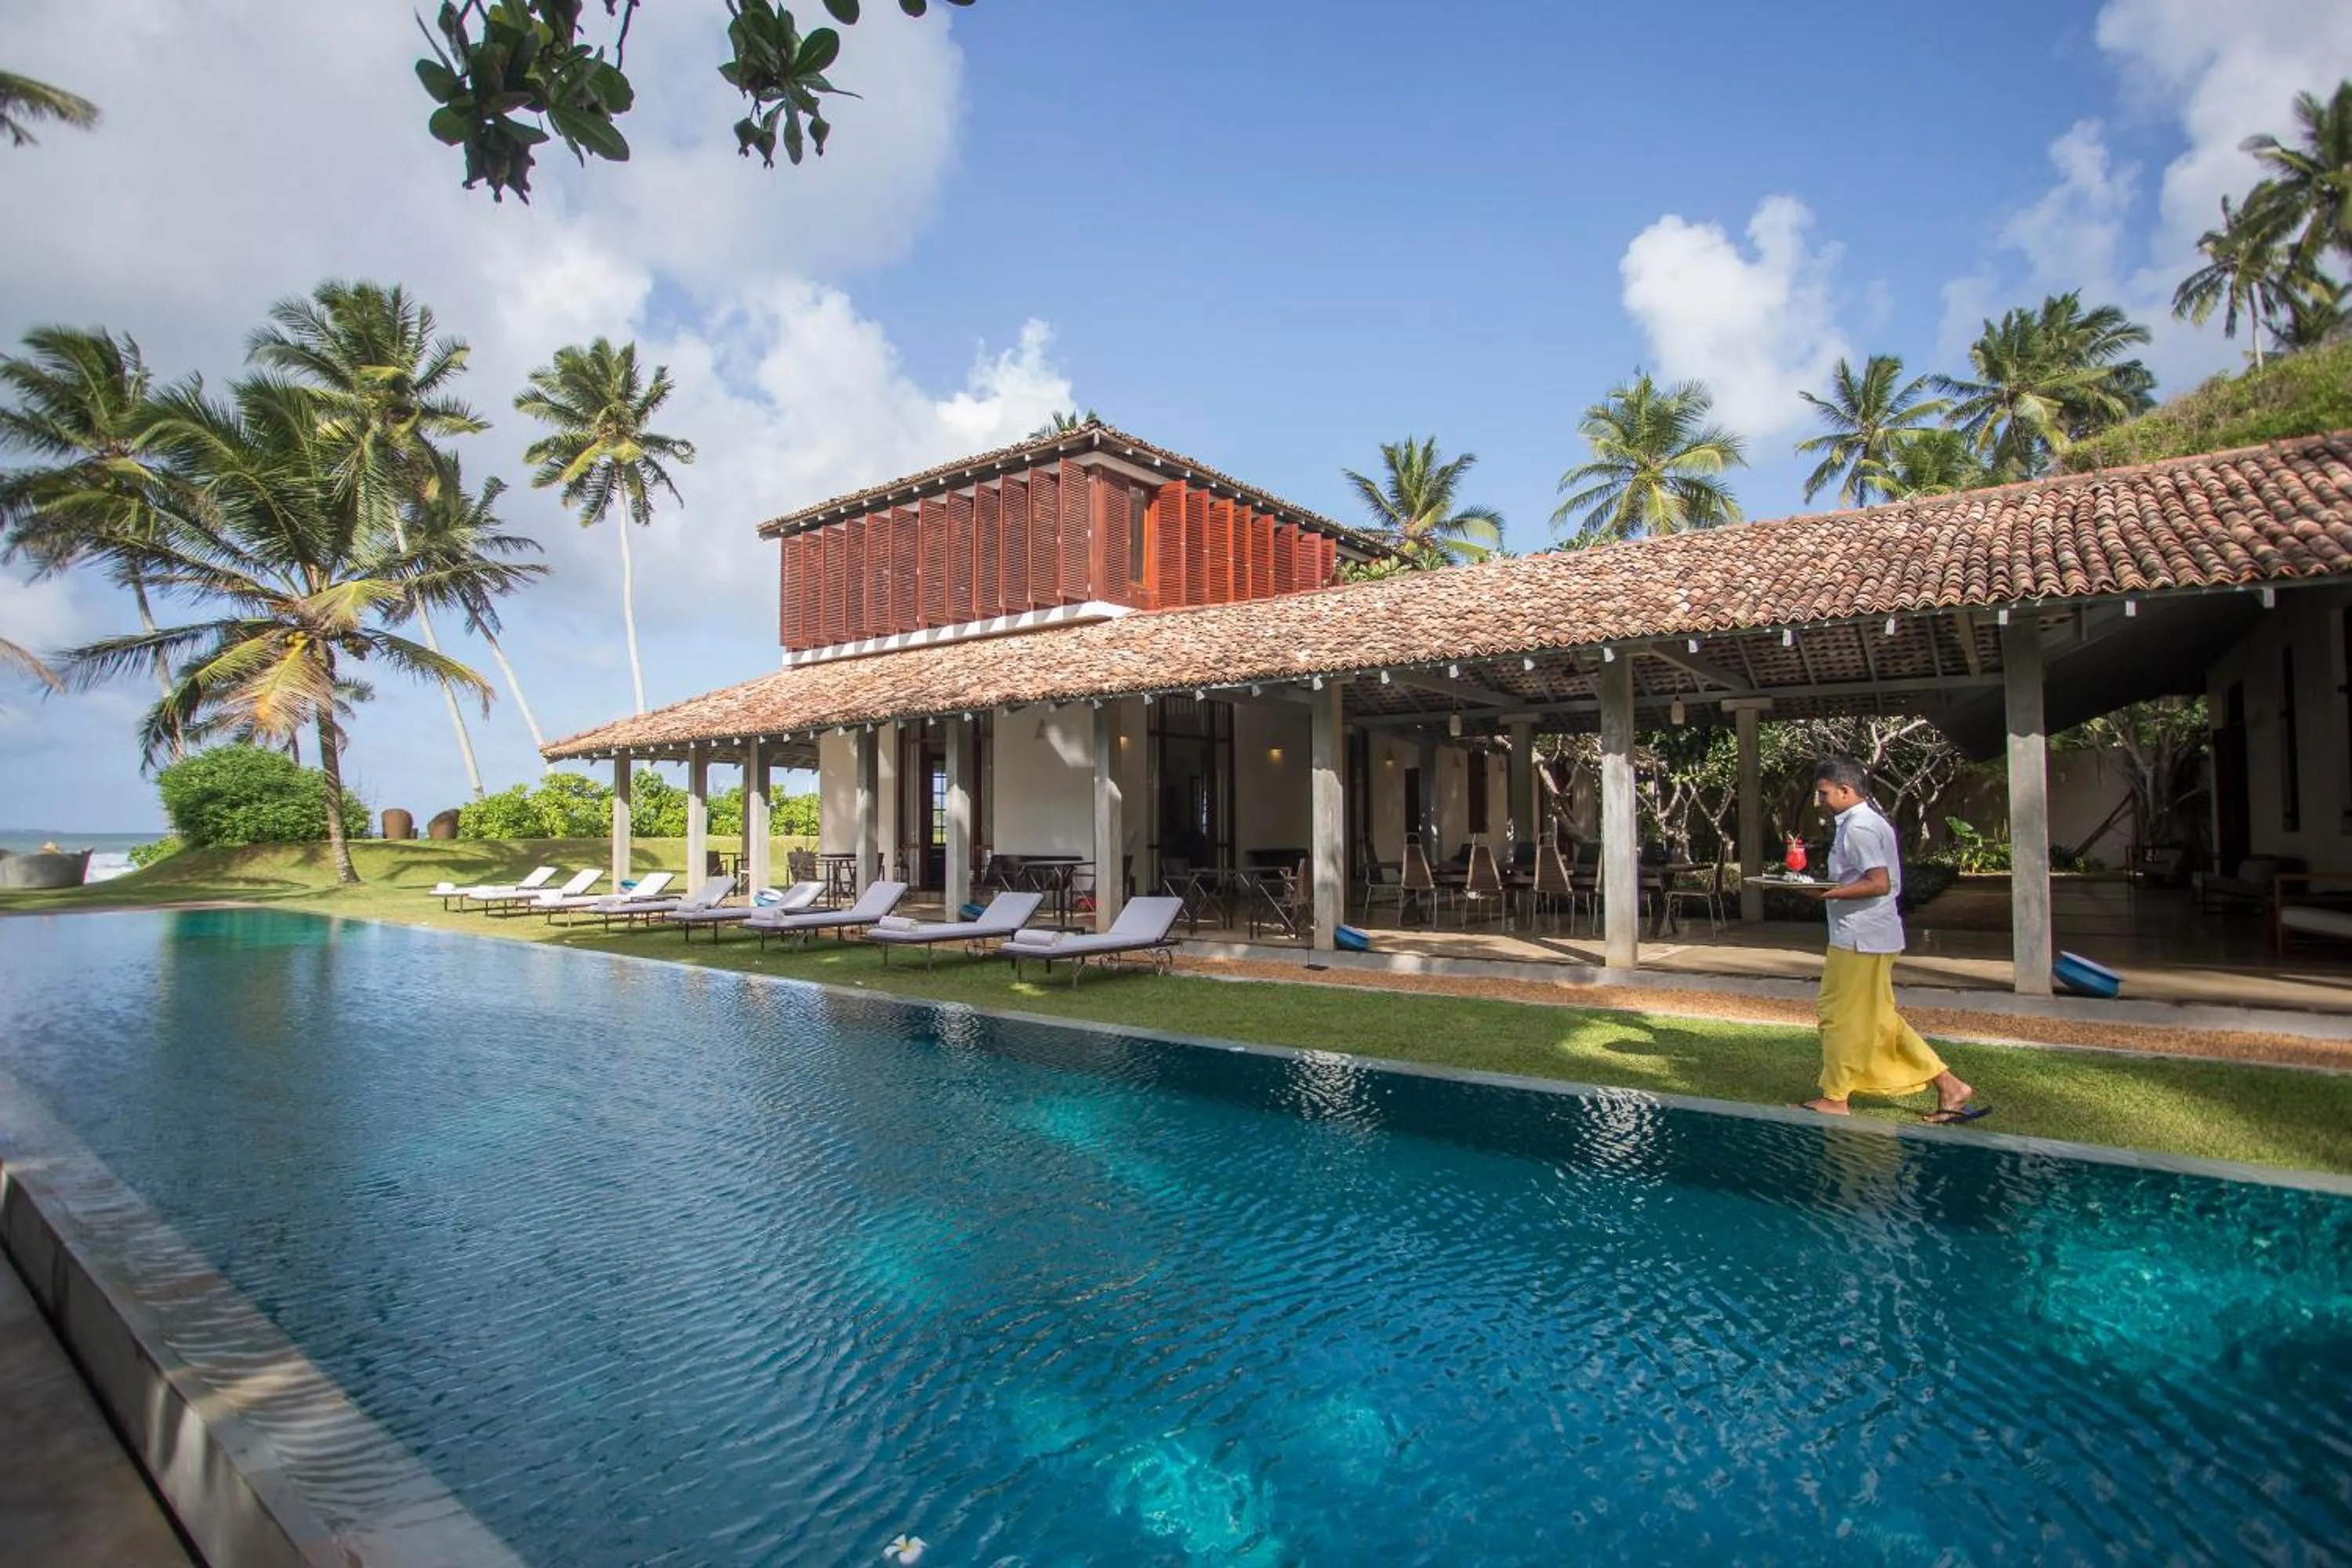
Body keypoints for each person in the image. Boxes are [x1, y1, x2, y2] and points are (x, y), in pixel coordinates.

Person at [1795, 757, 1988, 1124]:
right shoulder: (1867, 822)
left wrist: (1826, 894)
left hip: (1859, 938)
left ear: (1845, 790)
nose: (1819, 801)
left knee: (1836, 1016)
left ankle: (1835, 1098)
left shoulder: (1859, 828)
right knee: (1879, 1019)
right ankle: (1951, 1086)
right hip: (1870, 935)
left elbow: (1879, 882)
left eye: (1823, 794)